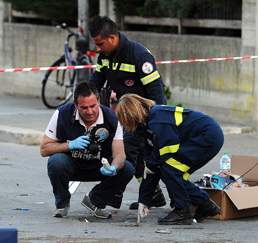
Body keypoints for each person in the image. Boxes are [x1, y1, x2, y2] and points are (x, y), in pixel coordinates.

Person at [89, 15, 167, 209]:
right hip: (125, 114)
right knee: (139, 158)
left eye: (100, 44)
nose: (98, 49)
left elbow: (156, 92)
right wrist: (83, 102)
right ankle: (154, 195)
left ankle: (113, 193)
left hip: (142, 114)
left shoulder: (139, 56)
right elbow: (95, 82)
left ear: (112, 39)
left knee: (126, 153)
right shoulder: (106, 57)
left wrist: (158, 123)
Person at [116, 93, 224, 225]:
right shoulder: (148, 127)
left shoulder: (157, 117)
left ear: (132, 115)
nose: (128, 127)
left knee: (170, 169)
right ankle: (205, 204)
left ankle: (182, 212)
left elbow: (168, 149)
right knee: (173, 174)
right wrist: (144, 200)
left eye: (127, 122)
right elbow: (152, 168)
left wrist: (151, 165)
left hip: (207, 136)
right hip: (204, 136)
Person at [40, 81, 134, 219]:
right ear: (75, 105)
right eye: (83, 107)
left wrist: (113, 167)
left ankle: (95, 201)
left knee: (126, 168)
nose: (89, 112)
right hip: (72, 165)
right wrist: (70, 145)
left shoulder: (112, 118)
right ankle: (62, 204)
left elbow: (119, 154)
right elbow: (44, 149)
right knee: (56, 161)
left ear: (99, 101)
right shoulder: (62, 114)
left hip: (99, 166)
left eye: (93, 106)